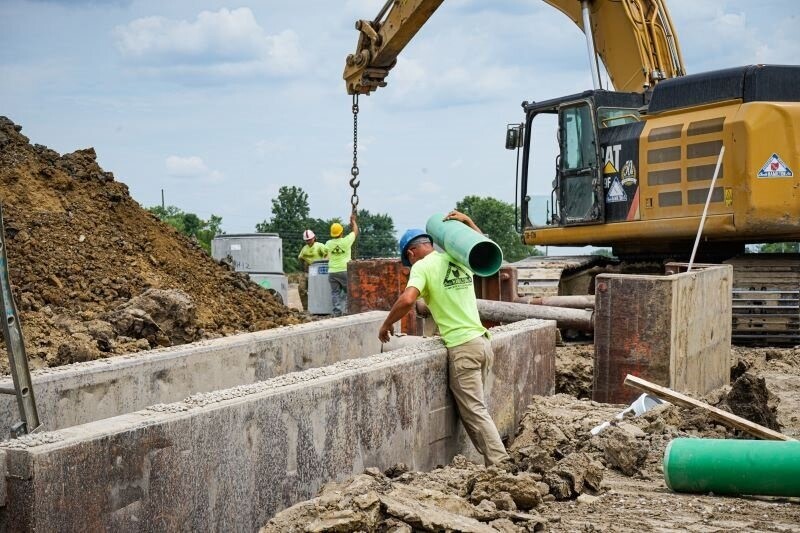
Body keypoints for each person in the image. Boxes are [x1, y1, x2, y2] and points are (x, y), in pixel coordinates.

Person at [378, 210, 510, 466]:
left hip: (463, 348)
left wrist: (386, 324)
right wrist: (469, 222)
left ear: (410, 254)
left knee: (475, 411)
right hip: (482, 343)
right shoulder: (457, 257)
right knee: (471, 412)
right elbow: (482, 247)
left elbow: (407, 300)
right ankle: (493, 464)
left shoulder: (422, 267)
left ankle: (501, 464)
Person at [324, 213, 358, 317]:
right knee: (349, 291)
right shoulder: (346, 241)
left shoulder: (328, 243)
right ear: (341, 232)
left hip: (332, 272)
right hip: (344, 270)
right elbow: (355, 231)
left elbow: (325, 255)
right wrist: (353, 222)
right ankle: (348, 310)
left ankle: (337, 312)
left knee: (335, 293)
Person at [297, 229, 327, 310]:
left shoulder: (320, 246)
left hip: (317, 272)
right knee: (301, 289)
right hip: (306, 271)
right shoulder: (304, 248)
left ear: (314, 238)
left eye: (310, 239)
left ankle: (319, 307)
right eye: (307, 240)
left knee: (317, 291)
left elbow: (327, 254)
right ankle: (306, 308)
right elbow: (300, 258)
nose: (308, 241)